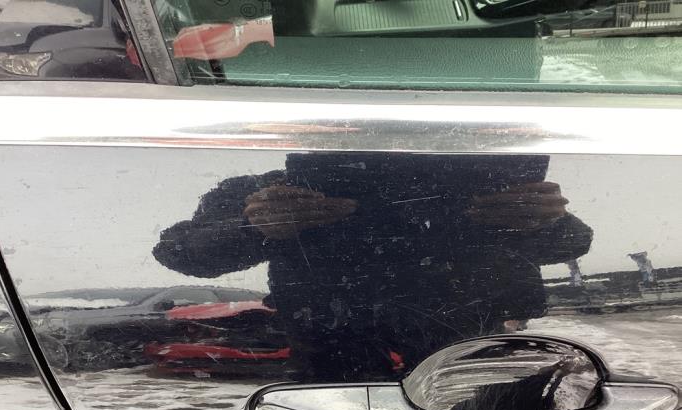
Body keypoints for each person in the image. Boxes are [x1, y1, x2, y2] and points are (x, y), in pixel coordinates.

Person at [153, 153, 593, 381]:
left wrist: (545, 219)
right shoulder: (270, 193)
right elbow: (177, 250)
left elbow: (574, 241)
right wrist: (253, 226)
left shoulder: (472, 193)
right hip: (333, 354)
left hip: (470, 350)